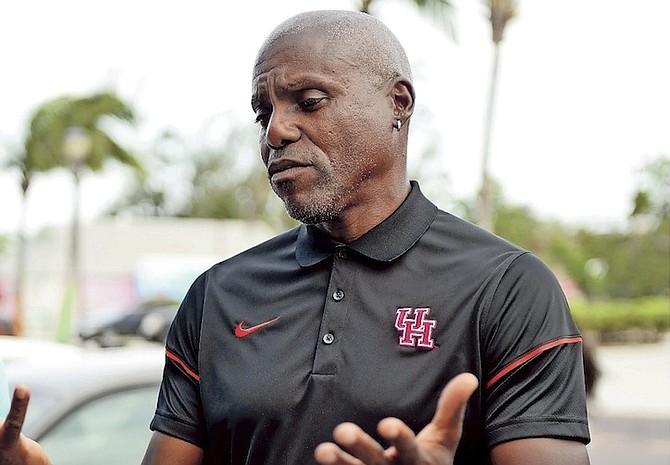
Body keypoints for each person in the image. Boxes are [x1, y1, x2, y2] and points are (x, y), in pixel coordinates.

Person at [1, 9, 591, 465]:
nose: (277, 131)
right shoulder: (217, 297)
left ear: (398, 104)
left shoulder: (508, 288)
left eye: (309, 101)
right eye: (264, 113)